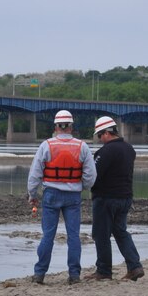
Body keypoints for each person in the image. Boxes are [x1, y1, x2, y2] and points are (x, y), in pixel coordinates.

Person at [27, 109, 97, 285]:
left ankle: (39, 274)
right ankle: (74, 275)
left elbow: (35, 174)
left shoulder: (46, 145)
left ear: (56, 126)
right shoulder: (82, 146)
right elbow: (90, 175)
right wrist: (83, 187)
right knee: (73, 236)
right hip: (73, 195)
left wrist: (32, 194)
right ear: (71, 127)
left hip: (51, 193)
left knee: (47, 236)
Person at [83, 116, 144, 281]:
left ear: (106, 133)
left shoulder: (106, 151)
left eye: (99, 135)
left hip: (106, 198)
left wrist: (83, 185)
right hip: (125, 197)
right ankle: (135, 266)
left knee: (101, 234)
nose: (100, 139)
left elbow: (94, 175)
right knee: (121, 232)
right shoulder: (129, 149)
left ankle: (103, 271)